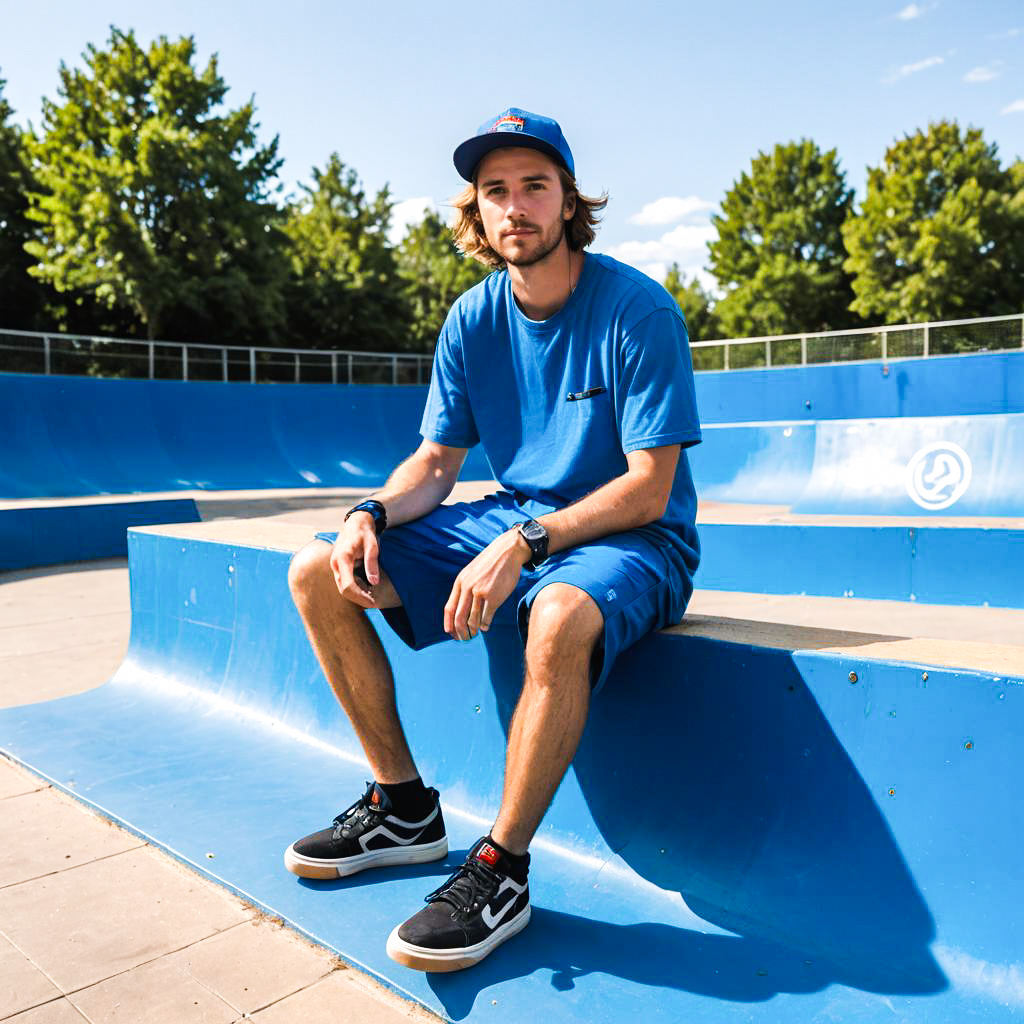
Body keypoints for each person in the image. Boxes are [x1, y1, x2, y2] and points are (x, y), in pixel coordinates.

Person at [284, 107, 702, 972]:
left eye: (534, 188)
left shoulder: (637, 309)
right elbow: (436, 463)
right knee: (317, 569)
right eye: (496, 192)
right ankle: (403, 807)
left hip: (637, 539)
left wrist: (525, 542)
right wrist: (370, 512)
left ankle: (501, 868)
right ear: (477, 211)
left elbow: (649, 485)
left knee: (554, 614)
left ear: (568, 201)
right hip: (518, 512)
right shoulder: (472, 319)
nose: (515, 207)